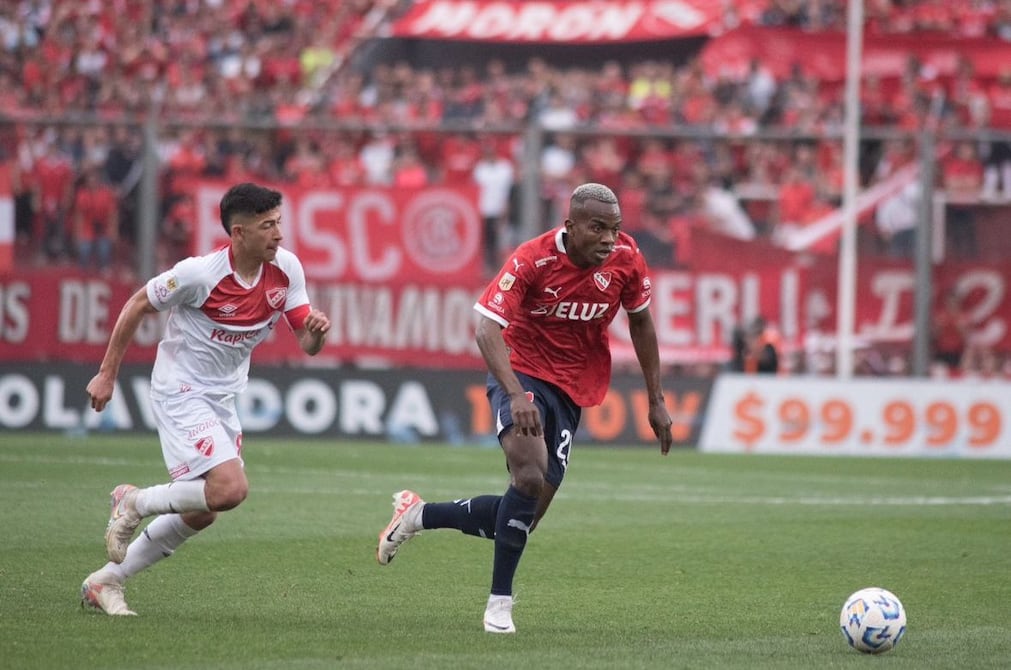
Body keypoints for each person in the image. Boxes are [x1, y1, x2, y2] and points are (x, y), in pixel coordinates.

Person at [375, 183, 673, 633]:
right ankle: (499, 606)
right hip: (521, 371)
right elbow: (486, 331)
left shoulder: (627, 261)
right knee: (529, 475)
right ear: (570, 226)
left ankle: (419, 514)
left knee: (520, 519)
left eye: (615, 229)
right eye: (598, 228)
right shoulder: (533, 259)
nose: (609, 238)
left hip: (574, 387)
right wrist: (515, 393)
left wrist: (656, 400)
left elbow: (642, 323)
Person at [80, 182, 332, 616]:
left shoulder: (286, 269)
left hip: (223, 398)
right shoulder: (200, 274)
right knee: (230, 489)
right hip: (181, 389)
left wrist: (316, 333)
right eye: (267, 226)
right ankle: (134, 501)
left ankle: (106, 581)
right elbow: (138, 303)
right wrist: (107, 374)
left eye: (279, 223)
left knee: (204, 511)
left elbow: (305, 341)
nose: (279, 234)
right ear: (238, 233)